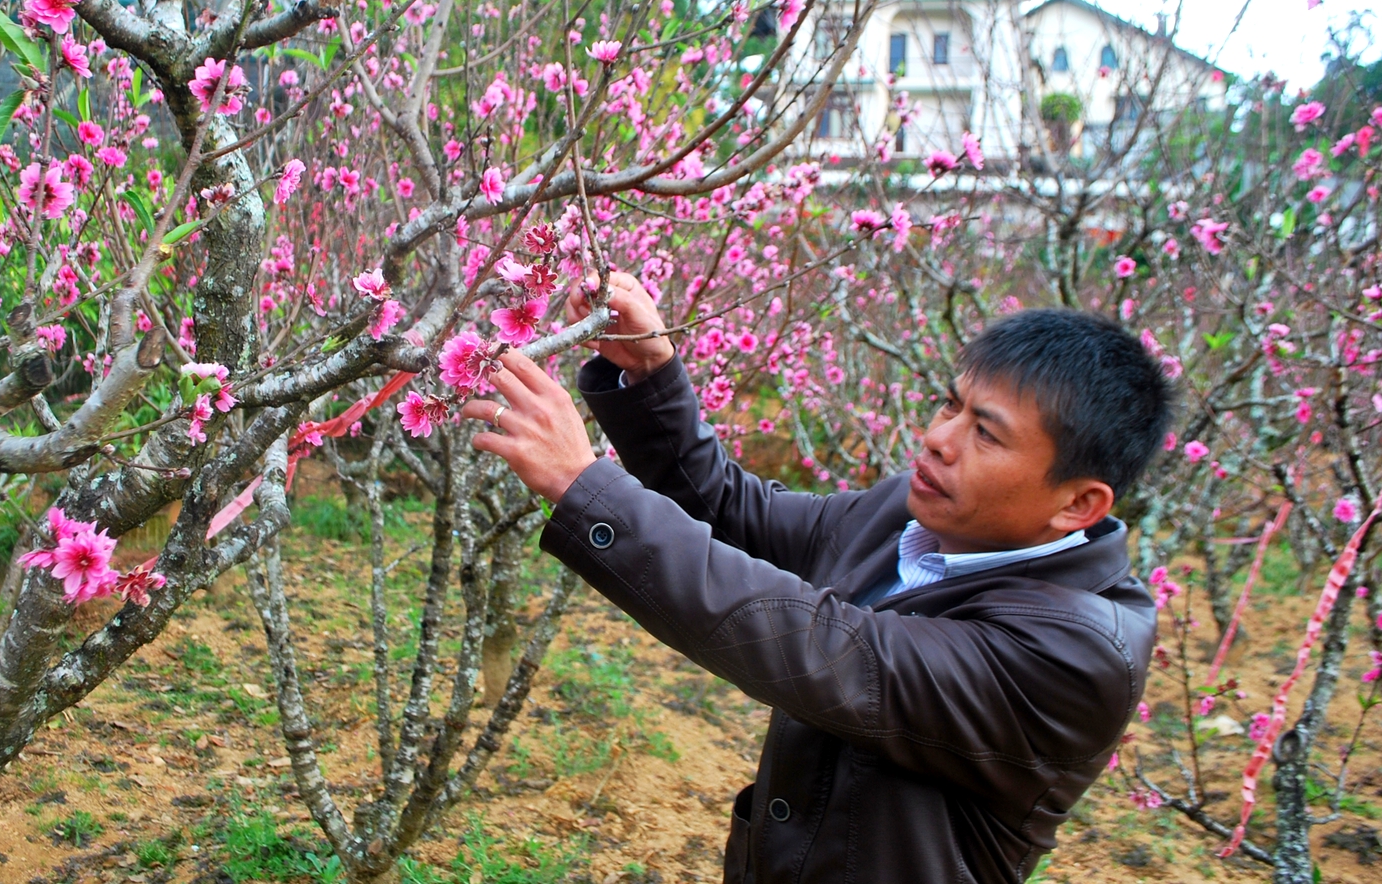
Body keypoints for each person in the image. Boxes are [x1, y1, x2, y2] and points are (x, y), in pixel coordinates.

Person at [460, 271, 1169, 883]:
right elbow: (738, 514)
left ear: (1078, 505)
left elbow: (823, 647)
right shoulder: (913, 514)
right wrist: (651, 376)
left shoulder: (1076, 656)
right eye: (950, 404)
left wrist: (585, 486)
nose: (938, 438)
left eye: (986, 433)